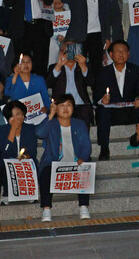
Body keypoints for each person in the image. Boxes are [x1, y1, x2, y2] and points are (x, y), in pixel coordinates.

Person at [36, 94, 92, 222]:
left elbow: (86, 145)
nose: (66, 108)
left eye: (69, 105)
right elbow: (39, 133)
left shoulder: (80, 124)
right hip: (54, 162)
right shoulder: (51, 123)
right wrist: (50, 115)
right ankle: (46, 209)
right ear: (56, 108)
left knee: (85, 167)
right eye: (62, 105)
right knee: (45, 172)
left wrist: (82, 158)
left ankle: (84, 207)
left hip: (75, 161)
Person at [62, 0, 122, 76]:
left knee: (96, 68)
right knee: (74, 68)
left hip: (96, 34)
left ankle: (97, 94)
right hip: (76, 36)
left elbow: (105, 16)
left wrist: (107, 37)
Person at [94, 40, 139, 160]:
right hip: (112, 113)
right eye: (117, 51)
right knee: (102, 110)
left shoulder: (136, 70)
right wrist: (103, 100)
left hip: (129, 111)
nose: (121, 54)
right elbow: (96, 96)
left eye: (124, 51)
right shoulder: (103, 72)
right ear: (111, 54)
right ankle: (104, 148)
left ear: (128, 54)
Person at [3, 0, 53, 75]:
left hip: (40, 26)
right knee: (21, 63)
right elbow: (8, 3)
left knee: (41, 62)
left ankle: (41, 91)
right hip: (21, 28)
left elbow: (49, 0)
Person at [47, 41, 94, 127]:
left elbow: (91, 82)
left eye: (74, 49)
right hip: (62, 106)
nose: (71, 52)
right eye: (68, 49)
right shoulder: (54, 67)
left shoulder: (83, 66)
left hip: (80, 105)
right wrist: (59, 66)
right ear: (61, 52)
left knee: (84, 111)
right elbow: (48, 83)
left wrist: (83, 66)